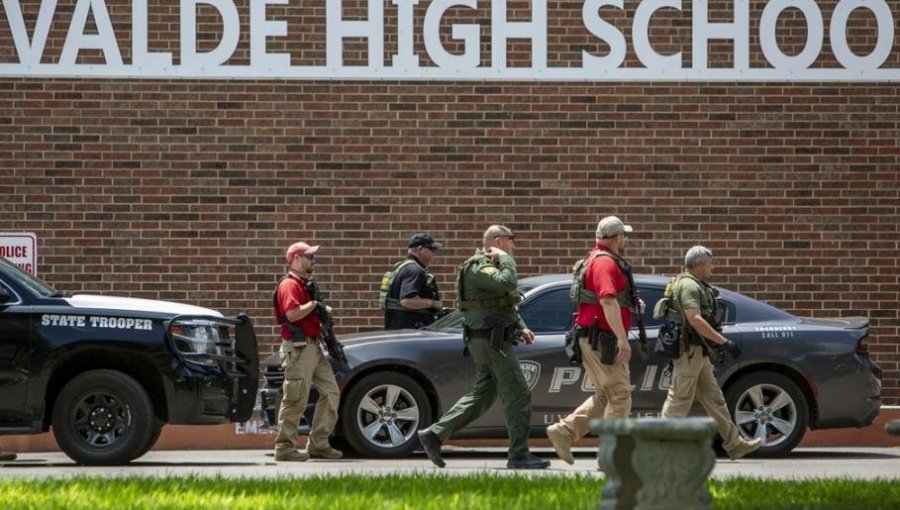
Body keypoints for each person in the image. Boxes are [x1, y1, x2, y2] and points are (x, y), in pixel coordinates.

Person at [417, 225, 549, 470]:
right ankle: (519, 454)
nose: (514, 247)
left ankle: (434, 434)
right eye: (511, 242)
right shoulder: (479, 266)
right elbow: (507, 282)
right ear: (499, 242)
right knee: (518, 393)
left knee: (483, 395)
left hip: (489, 339)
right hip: (491, 341)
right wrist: (506, 259)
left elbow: (503, 301)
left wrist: (521, 326)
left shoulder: (490, 265)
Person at [546, 216, 642, 465]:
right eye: (624, 236)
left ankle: (564, 432)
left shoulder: (595, 259)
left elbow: (611, 299)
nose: (626, 240)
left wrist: (629, 304)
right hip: (603, 340)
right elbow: (607, 299)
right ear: (617, 238)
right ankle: (611, 457)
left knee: (604, 396)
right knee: (620, 396)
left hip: (592, 337)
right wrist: (622, 338)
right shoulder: (605, 264)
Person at [659, 245, 762, 460]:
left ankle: (734, 444)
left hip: (698, 352)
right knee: (679, 399)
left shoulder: (695, 284)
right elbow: (694, 318)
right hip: (689, 352)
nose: (711, 267)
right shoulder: (689, 286)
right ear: (698, 264)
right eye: (709, 263)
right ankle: (658, 447)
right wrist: (723, 342)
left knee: (714, 399)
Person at [272, 241, 342, 462]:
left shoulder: (305, 284)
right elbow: (292, 314)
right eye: (309, 256)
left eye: (312, 256)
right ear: (295, 259)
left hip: (313, 347)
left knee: (331, 392)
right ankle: (284, 447)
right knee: (296, 398)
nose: (313, 260)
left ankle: (319, 444)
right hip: (299, 348)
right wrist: (314, 305)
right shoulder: (289, 285)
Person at [382, 233, 444, 330]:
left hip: (398, 328)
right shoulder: (414, 270)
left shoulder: (401, 267)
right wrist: (431, 303)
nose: (433, 253)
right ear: (420, 249)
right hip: (411, 331)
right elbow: (407, 301)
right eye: (432, 249)